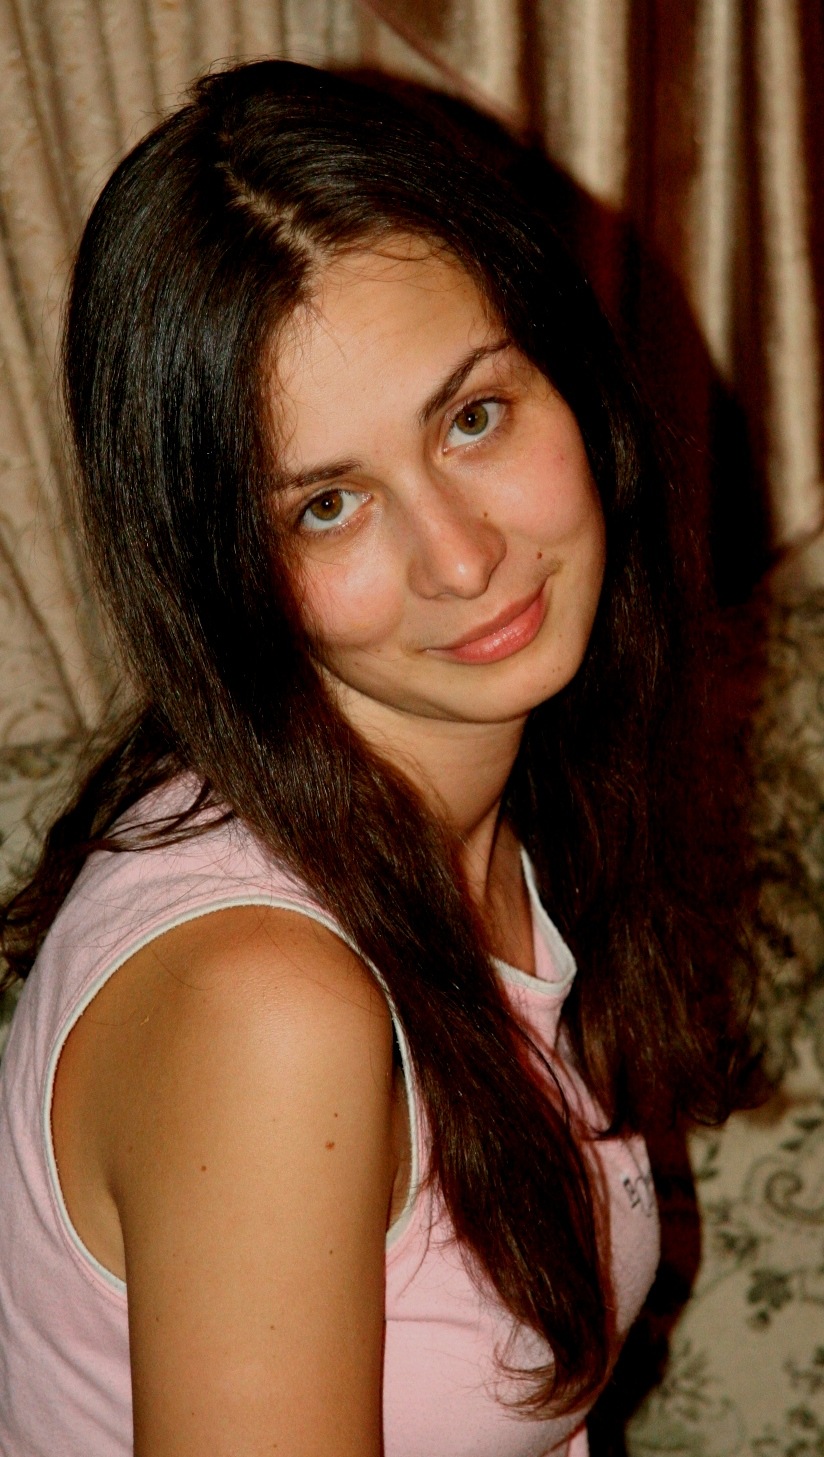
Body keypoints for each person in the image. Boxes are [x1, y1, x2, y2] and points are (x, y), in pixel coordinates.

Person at [0, 60, 752, 1457]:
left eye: (472, 416)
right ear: (223, 573)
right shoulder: (269, 1008)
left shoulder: (489, 800)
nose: (462, 556)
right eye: (329, 505)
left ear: (566, 375)